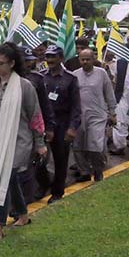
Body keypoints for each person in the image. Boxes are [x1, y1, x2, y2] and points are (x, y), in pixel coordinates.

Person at [0, 43, 47, 243]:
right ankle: (22, 214)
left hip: (18, 143)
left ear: (12, 63)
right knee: (10, 179)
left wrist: (40, 143)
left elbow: (35, 116)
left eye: (0, 64)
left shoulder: (25, 86)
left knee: (3, 178)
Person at [42, 45, 82, 203]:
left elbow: (76, 106)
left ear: (61, 58)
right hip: (44, 123)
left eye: (53, 57)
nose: (49, 60)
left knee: (60, 160)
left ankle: (57, 192)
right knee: (38, 160)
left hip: (62, 123)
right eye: (47, 57)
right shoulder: (41, 77)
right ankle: (44, 184)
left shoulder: (70, 79)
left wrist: (72, 128)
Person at [72, 48, 116, 182]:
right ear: (79, 60)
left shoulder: (102, 73)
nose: (85, 62)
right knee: (78, 146)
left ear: (93, 59)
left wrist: (112, 113)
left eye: (88, 59)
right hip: (79, 116)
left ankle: (98, 170)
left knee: (96, 146)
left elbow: (109, 94)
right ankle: (84, 171)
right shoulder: (74, 75)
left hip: (98, 115)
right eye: (82, 59)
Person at [21, 48, 57, 202]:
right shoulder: (7, 78)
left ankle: (43, 184)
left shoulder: (36, 79)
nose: (29, 63)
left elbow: (45, 104)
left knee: (37, 160)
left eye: (30, 59)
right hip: (17, 125)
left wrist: (49, 127)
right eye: (26, 60)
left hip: (35, 124)